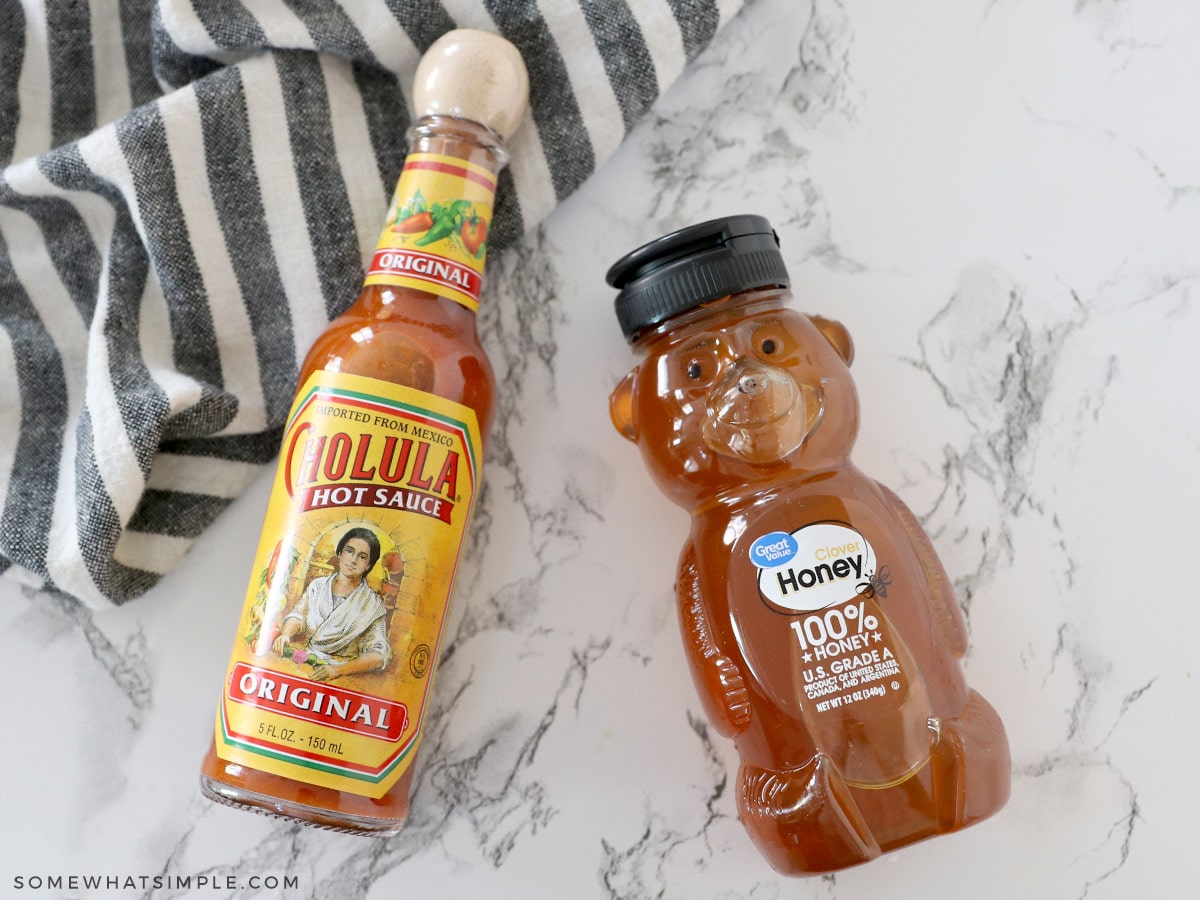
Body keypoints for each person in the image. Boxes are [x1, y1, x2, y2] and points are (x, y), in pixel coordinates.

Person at [272, 528, 391, 681]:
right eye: (349, 551)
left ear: (368, 565)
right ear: (340, 553)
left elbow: (379, 655)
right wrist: (285, 635)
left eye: (362, 556)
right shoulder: (318, 586)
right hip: (305, 661)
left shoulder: (373, 605)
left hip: (342, 676)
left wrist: (338, 670)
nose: (353, 560)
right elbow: (298, 615)